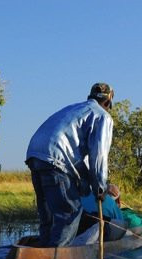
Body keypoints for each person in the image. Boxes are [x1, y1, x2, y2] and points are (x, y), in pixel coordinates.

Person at [25, 83, 114, 247]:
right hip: (56, 158)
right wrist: (101, 188)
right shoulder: (103, 116)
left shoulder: (75, 109)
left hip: (35, 155)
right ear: (108, 102)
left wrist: (90, 183)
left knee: (49, 216)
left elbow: (80, 162)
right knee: (70, 213)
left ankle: (43, 253)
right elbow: (99, 155)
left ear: (90, 97)